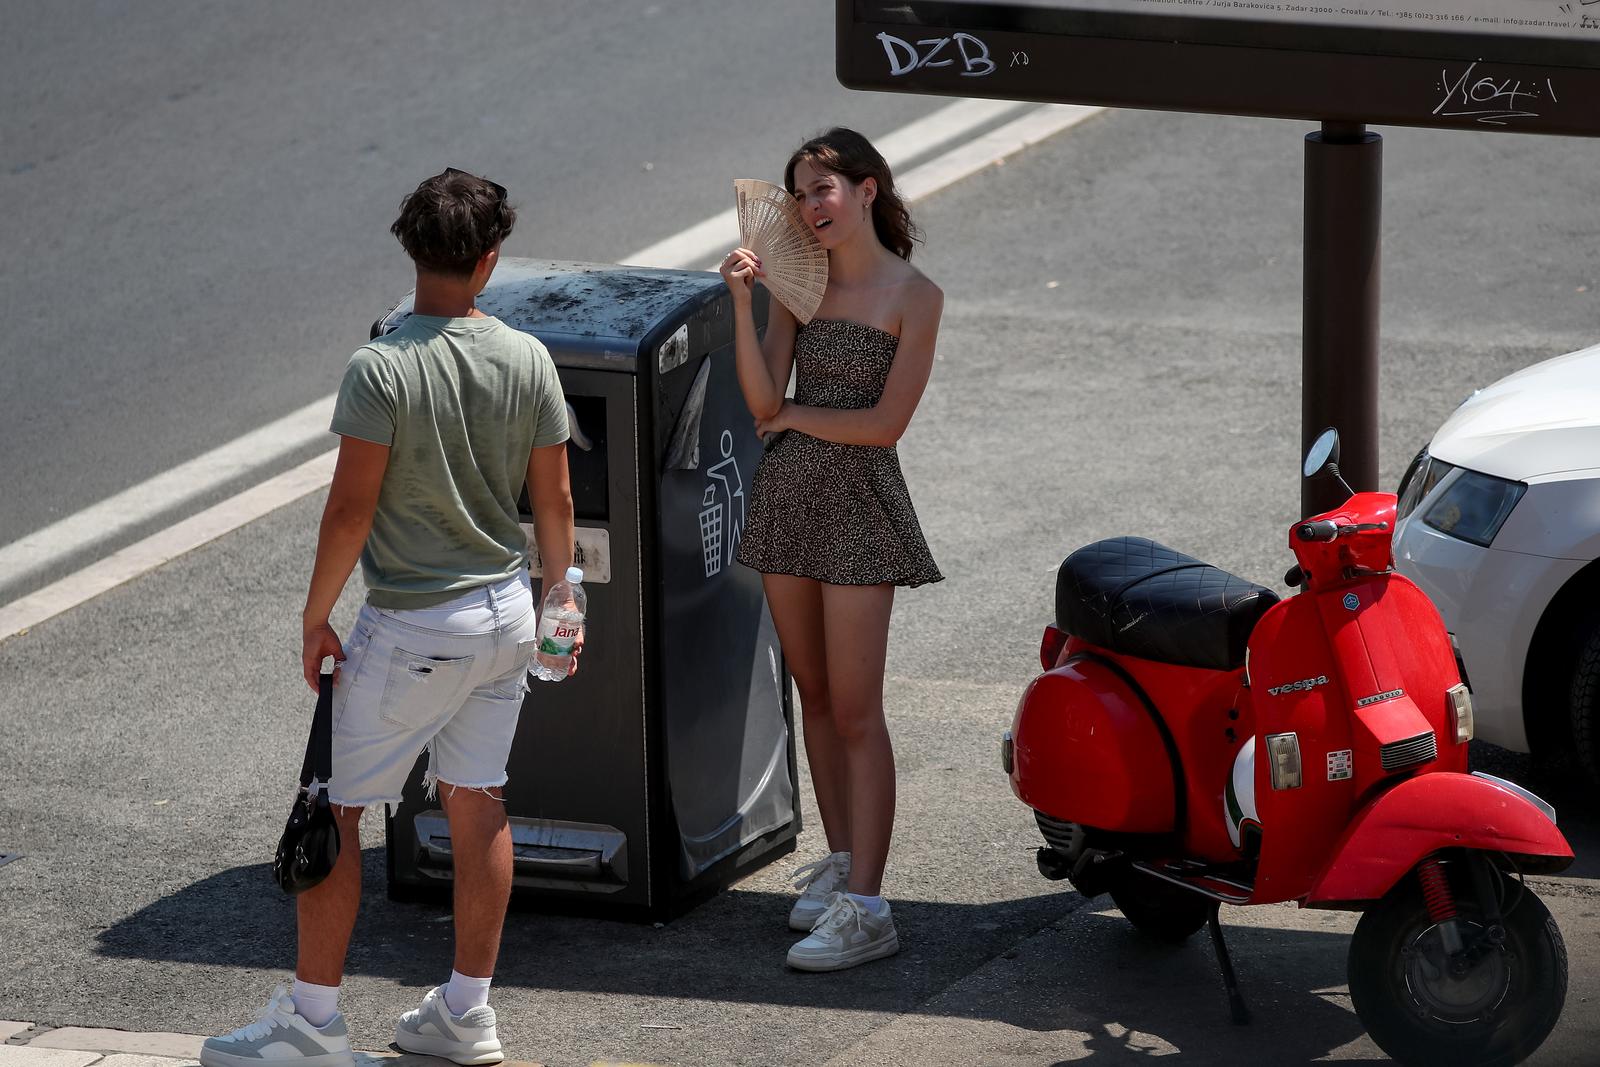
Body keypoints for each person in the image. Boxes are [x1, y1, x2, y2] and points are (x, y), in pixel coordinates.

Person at [202, 168, 576, 1067]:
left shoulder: (382, 365)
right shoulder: (527, 356)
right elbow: (556, 497)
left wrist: (315, 615)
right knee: (479, 799)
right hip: (507, 620)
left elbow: (348, 511)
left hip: (414, 624)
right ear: (490, 261)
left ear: (412, 250)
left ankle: (313, 1023)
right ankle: (465, 1013)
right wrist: (562, 596)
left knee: (335, 810)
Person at [719, 128, 944, 972]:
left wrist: (796, 418)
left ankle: (871, 907)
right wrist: (744, 307)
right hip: (789, 501)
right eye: (801, 194)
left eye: (824, 190)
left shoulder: (915, 295)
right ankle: (845, 864)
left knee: (856, 708)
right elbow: (760, 397)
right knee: (813, 696)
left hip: (858, 505)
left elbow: (883, 425)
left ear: (868, 190)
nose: (811, 207)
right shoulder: (798, 287)